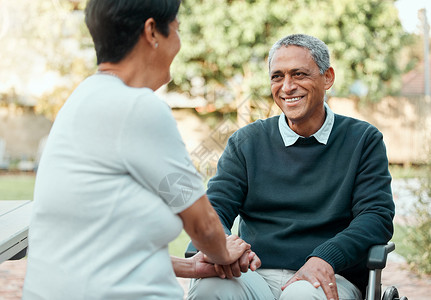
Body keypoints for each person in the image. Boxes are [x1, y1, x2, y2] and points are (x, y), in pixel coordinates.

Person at [22, 1, 255, 299]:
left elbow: (101, 240)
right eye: (177, 30)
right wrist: (226, 253)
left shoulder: (84, 97)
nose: (179, 44)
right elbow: (203, 224)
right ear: (152, 32)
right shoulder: (138, 108)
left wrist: (191, 267)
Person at [187, 34, 395, 300]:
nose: (287, 87)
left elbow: (375, 217)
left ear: (328, 77)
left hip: (328, 273)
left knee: (302, 296)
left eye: (299, 74)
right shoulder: (246, 142)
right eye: (277, 76)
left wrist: (326, 257)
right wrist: (223, 244)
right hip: (255, 273)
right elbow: (214, 208)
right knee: (209, 288)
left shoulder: (363, 140)